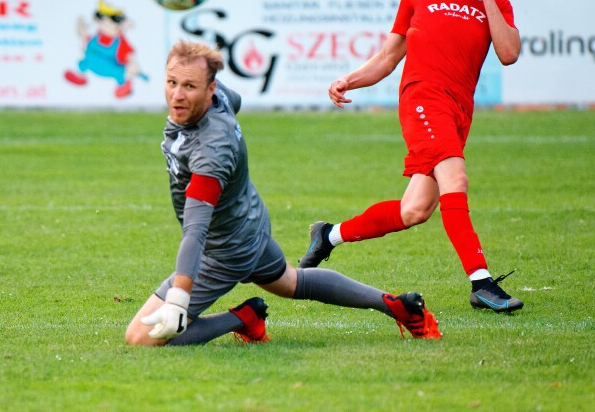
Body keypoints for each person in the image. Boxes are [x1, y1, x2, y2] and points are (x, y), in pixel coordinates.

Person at [125, 40, 441, 347]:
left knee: (139, 337)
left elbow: (195, 230)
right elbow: (235, 100)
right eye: (171, 82)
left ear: (209, 89)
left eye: (189, 87)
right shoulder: (219, 96)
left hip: (223, 249)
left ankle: (244, 318)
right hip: (249, 222)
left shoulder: (212, 150)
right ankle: (395, 306)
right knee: (291, 282)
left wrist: (179, 300)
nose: (177, 95)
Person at [298, 0, 524, 314]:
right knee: (455, 175)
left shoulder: (497, 2)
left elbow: (509, 54)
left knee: (415, 210)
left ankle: (328, 235)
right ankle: (481, 282)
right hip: (423, 100)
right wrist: (348, 80)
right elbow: (388, 58)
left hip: (458, 110)